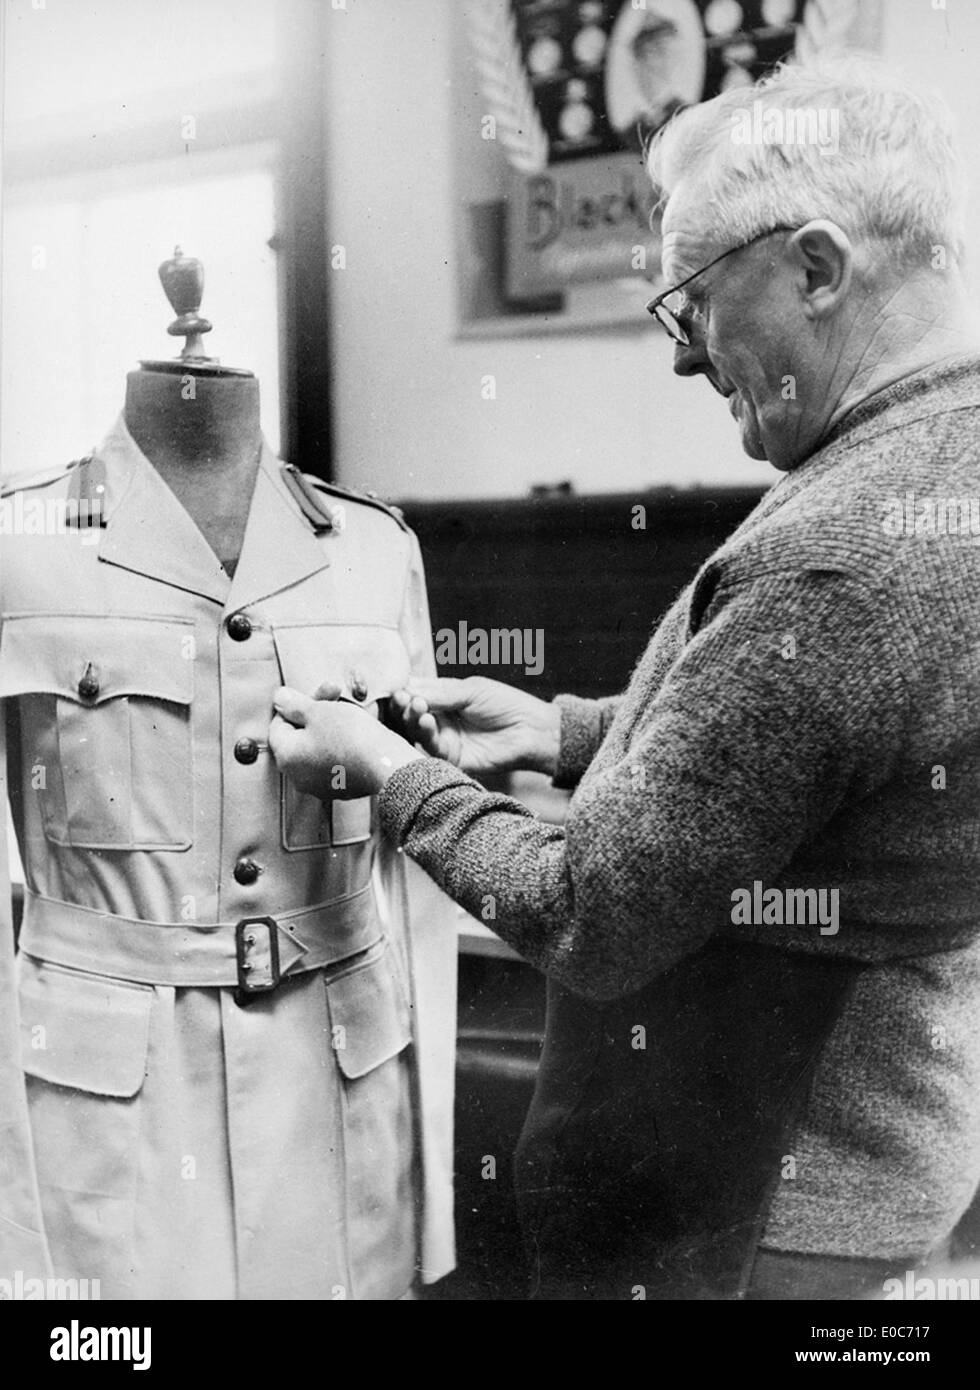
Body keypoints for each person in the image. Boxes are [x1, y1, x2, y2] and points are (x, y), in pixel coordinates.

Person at [270, 58, 980, 1300]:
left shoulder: (836, 557)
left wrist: (391, 775)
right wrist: (570, 732)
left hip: (753, 1202)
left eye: (689, 302)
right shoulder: (935, 472)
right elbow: (821, 768)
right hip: (871, 1155)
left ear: (815, 268)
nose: (679, 355)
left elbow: (592, 918)